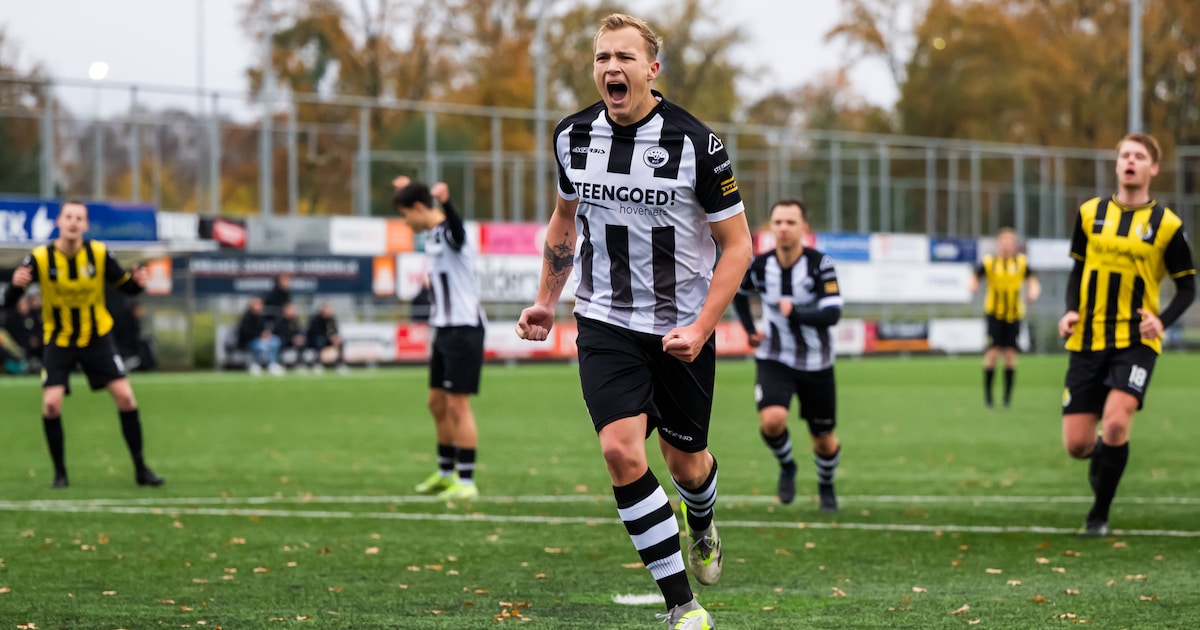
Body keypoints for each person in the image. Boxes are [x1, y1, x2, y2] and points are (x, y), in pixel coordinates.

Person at [515, 14, 752, 628]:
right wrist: (546, 299)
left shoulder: (698, 144)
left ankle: (701, 521)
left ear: (652, 69)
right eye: (601, 58)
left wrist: (701, 328)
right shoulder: (572, 137)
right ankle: (682, 606)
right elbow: (564, 221)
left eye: (624, 57)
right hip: (604, 321)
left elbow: (738, 246)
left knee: (687, 465)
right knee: (621, 452)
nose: (611, 69)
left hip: (680, 330)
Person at [1058, 133, 1195, 537]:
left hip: (1136, 341)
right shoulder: (1089, 213)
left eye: (1139, 156)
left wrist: (1162, 321)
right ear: (1116, 165)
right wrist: (1070, 310)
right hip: (1087, 339)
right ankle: (1105, 455)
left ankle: (1098, 515)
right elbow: (1078, 270)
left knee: (1117, 423)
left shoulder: (1166, 224)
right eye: (1124, 156)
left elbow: (1188, 287)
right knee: (1078, 445)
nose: (1130, 161)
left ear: (1153, 168)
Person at [3, 200, 165, 489]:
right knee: (51, 405)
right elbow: (10, 302)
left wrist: (139, 282)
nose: (73, 222)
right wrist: (15, 285)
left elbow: (126, 286)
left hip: (96, 338)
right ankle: (60, 474)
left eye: (79, 217)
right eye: (68, 217)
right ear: (59, 222)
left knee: (126, 398)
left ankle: (141, 469)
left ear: (86, 225)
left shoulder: (98, 254)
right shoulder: (40, 258)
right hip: (59, 340)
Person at [732, 199, 844, 513]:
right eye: (778, 222)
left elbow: (832, 313)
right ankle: (788, 466)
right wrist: (749, 329)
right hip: (774, 356)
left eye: (790, 222)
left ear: (804, 229)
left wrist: (796, 312)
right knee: (772, 420)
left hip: (816, 361)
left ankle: (826, 485)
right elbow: (740, 293)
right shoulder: (760, 265)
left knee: (823, 438)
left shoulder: (821, 265)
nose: (783, 228)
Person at [393, 176, 487, 502]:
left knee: (458, 406)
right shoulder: (431, 233)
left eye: (406, 214)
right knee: (436, 403)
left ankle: (466, 480)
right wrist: (405, 187)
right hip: (444, 329)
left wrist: (446, 202)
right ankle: (446, 473)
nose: (405, 223)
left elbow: (458, 232)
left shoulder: (449, 231)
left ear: (420, 208)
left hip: (464, 329)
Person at [970, 228, 1041, 408]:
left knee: (1010, 355)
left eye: (1010, 242)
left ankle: (1007, 399)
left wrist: (1033, 292)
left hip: (1014, 314)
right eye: (1004, 241)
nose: (1007, 245)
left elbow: (1033, 281)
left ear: (1014, 244)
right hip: (994, 314)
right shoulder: (990, 262)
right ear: (998, 244)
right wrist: (973, 284)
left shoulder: (1021, 262)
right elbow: (974, 276)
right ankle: (988, 397)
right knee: (992, 354)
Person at [236, 297, 284, 376]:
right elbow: (245, 333)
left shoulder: (260, 317)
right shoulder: (247, 317)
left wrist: (267, 334)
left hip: (261, 339)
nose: (260, 306)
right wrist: (260, 335)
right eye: (258, 304)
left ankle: (272, 364)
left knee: (275, 340)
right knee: (260, 345)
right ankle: (255, 364)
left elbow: (264, 329)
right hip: (249, 341)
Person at [306, 301, 348, 374]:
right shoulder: (316, 319)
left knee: (340, 342)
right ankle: (317, 363)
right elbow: (313, 332)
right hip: (315, 339)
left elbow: (335, 331)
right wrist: (329, 337)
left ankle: (340, 363)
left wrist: (335, 338)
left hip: (328, 339)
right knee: (320, 341)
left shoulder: (332, 319)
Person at [276, 302, 308, 370]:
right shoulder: (280, 320)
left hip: (293, 340)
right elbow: (280, 333)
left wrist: (299, 337)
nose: (292, 311)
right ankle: (279, 363)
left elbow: (299, 331)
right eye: (290, 309)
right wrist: (292, 338)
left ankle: (300, 363)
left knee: (301, 341)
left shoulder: (294, 320)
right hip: (283, 340)